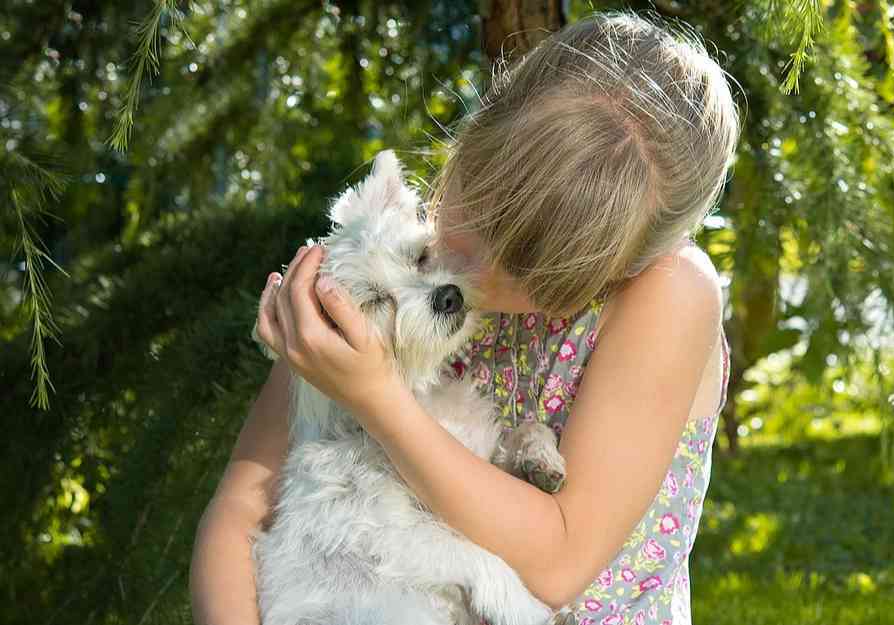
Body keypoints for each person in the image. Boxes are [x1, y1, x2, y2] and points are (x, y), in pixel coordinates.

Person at [190, 9, 739, 625]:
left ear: (623, 266)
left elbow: (558, 561)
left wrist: (376, 397)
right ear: (480, 129)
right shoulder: (396, 251)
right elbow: (246, 502)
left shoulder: (667, 295)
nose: (466, 269)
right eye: (473, 206)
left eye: (530, 270)